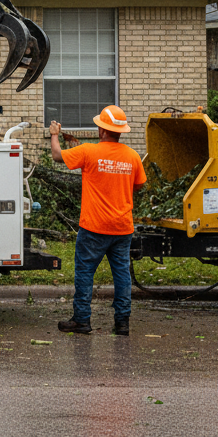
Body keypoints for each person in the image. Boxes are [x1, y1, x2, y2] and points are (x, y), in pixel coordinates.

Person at [50, 104, 147, 336]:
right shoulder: (132, 156)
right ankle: (122, 323)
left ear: (102, 130)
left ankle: (82, 320)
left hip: (94, 228)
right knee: (122, 275)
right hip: (122, 228)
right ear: (121, 131)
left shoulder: (88, 152)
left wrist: (54, 135)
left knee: (85, 273)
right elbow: (139, 184)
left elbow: (56, 156)